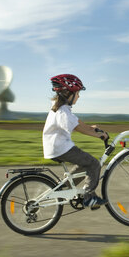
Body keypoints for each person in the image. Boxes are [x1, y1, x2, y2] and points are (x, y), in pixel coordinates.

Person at [42, 74, 108, 210]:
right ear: (68, 93)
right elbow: (78, 127)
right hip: (60, 147)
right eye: (77, 93)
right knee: (93, 163)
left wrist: (92, 128)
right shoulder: (62, 112)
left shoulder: (60, 108)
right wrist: (98, 135)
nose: (79, 96)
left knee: (83, 164)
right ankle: (89, 197)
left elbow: (77, 122)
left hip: (56, 146)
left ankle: (63, 187)